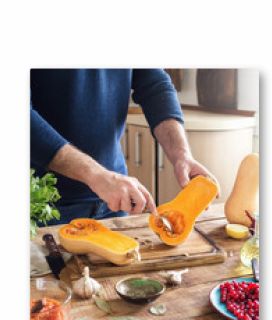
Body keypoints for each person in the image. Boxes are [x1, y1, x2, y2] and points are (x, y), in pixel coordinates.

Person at [31, 69, 219, 224]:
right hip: (44, 205)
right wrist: (97, 175)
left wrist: (182, 155)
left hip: (114, 201)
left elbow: (154, 85)